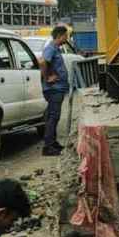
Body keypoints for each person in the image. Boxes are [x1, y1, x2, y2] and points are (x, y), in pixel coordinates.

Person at [39, 25, 71, 156]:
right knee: (53, 117)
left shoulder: (55, 48)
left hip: (57, 88)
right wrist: (47, 77)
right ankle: (48, 147)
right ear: (59, 36)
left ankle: (52, 143)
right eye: (65, 36)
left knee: (53, 116)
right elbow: (42, 62)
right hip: (54, 89)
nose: (67, 38)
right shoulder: (51, 48)